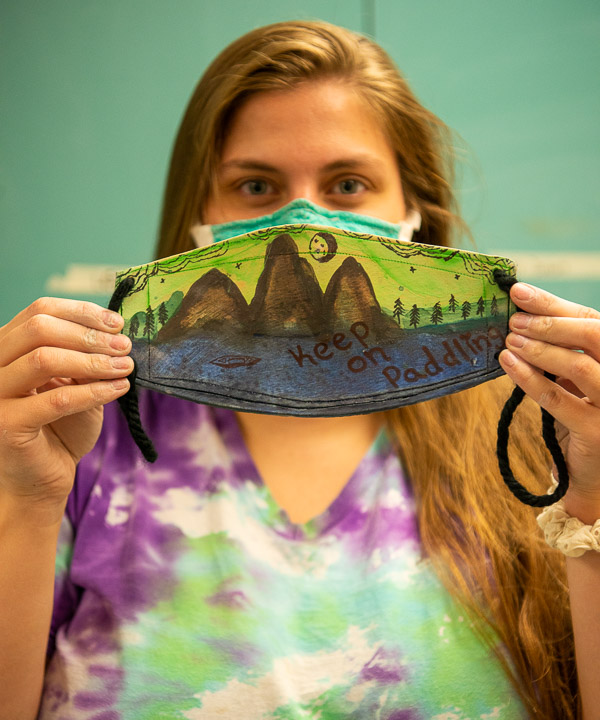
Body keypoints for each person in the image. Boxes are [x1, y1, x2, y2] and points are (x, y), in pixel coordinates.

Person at [1, 20, 598, 720]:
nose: (303, 225)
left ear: (414, 212)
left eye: (348, 184)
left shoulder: (544, 441)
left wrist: (595, 498)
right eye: (256, 185)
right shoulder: (76, 437)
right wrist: (24, 497)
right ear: (197, 213)